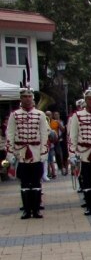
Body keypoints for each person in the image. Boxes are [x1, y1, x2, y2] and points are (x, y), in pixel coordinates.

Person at [6, 88, 49, 219]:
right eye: (24, 97)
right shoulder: (14, 115)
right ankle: (26, 210)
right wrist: (11, 154)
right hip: (21, 153)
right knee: (24, 184)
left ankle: (36, 210)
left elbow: (44, 135)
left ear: (32, 99)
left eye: (29, 97)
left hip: (36, 153)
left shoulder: (40, 115)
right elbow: (10, 134)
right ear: (21, 99)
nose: (27, 99)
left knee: (36, 183)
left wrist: (43, 154)